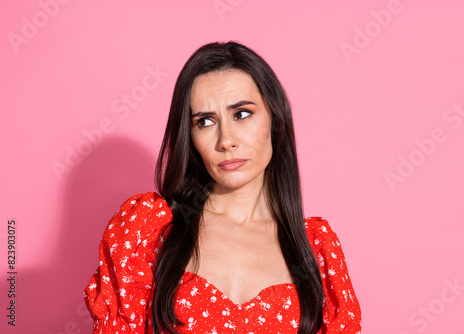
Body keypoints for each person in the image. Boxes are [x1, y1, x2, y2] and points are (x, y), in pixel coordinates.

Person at [84, 41, 362, 334]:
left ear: (275, 118)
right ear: (189, 136)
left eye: (241, 114)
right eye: (204, 121)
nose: (226, 140)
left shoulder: (316, 250)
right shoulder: (148, 232)